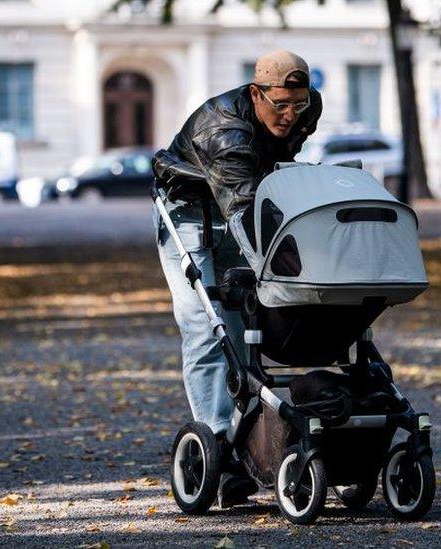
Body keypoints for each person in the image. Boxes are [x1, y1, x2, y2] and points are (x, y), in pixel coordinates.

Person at [152, 50, 322, 507]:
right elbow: (244, 210)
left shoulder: (309, 109)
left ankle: (252, 434)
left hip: (239, 200)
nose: (290, 116)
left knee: (244, 322)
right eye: (280, 105)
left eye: (298, 104)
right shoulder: (223, 130)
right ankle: (221, 447)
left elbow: (276, 177)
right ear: (255, 93)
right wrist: (284, 263)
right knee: (206, 328)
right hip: (190, 213)